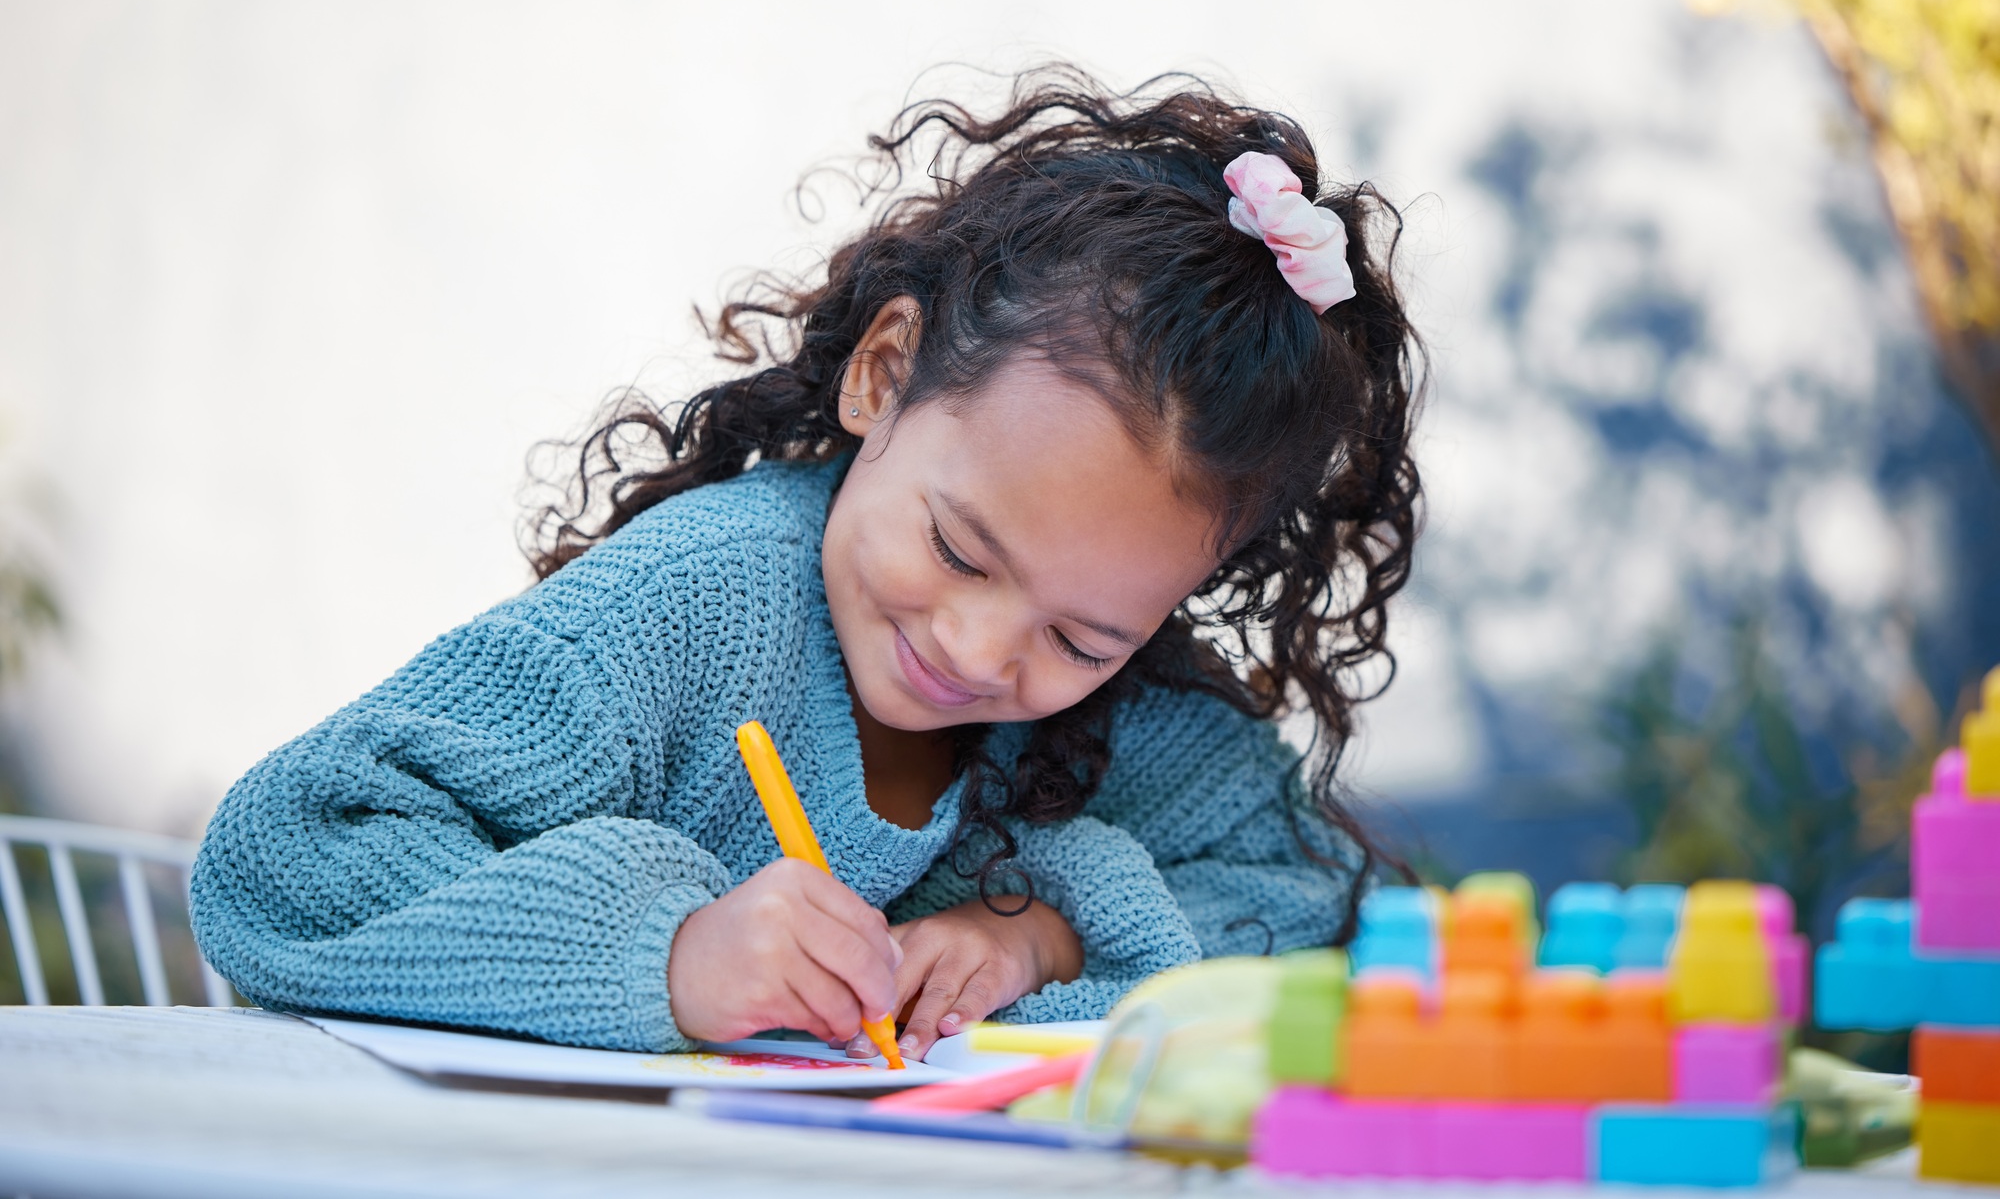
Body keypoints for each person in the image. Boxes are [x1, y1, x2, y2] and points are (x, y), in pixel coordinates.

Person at [190, 66, 1423, 1062]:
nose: (980, 648)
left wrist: (1042, 927)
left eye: (1080, 638)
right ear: (883, 372)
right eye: (956, 548)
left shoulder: (1124, 701)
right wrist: (666, 948)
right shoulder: (691, 606)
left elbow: (1326, 907)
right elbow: (290, 849)